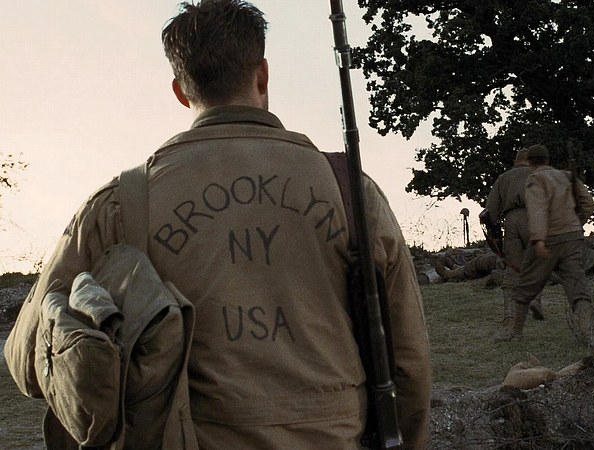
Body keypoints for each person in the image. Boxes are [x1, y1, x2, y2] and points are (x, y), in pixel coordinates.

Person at [4, 1, 431, 448]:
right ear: (262, 75)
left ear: (180, 90)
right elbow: (408, 359)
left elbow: (27, 356)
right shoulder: (350, 190)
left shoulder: (121, 204)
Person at [494, 144, 594, 347]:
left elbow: (538, 209)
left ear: (529, 162)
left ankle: (515, 333)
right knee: (578, 287)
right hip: (572, 238)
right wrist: (577, 223)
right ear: (548, 160)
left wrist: (539, 239)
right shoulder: (567, 176)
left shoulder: (535, 179)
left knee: (525, 285)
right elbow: (588, 203)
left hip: (548, 240)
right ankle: (587, 334)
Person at [485, 147, 545, 322]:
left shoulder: (504, 178)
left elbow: (491, 210)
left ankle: (509, 313)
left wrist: (494, 233)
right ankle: (536, 302)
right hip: (534, 217)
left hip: (511, 220)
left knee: (513, 266)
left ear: (516, 161)